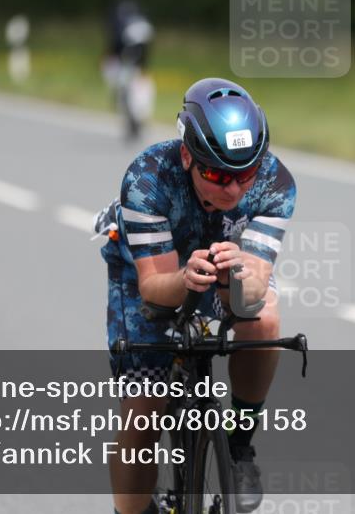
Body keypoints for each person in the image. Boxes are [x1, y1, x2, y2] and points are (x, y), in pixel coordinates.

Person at [95, 78, 296, 514]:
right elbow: (154, 287)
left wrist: (235, 276)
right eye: (218, 175)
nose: (233, 190)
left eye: (245, 174)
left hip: (223, 262)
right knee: (143, 408)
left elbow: (254, 291)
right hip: (152, 271)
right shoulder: (148, 178)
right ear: (187, 155)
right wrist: (186, 277)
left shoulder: (275, 183)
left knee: (263, 321)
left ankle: (239, 446)